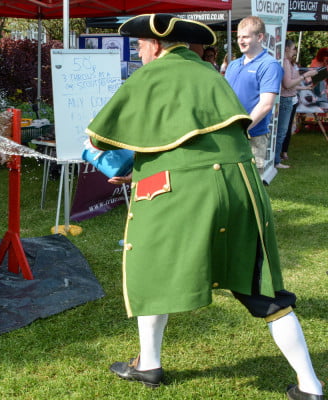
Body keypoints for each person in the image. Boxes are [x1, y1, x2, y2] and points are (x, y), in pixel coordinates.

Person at [85, 14, 323, 399]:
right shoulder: (212, 73)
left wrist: (119, 163)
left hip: (181, 191)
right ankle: (310, 385)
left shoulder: (151, 75)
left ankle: (149, 363)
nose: (140, 52)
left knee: (148, 265)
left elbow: (98, 143)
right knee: (262, 287)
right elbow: (197, 139)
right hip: (243, 186)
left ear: (158, 45)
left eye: (142, 45)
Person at [225, 16, 283, 175]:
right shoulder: (233, 65)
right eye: (238, 37)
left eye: (245, 37)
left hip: (253, 135)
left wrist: (243, 129)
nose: (240, 41)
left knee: (252, 184)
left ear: (260, 37)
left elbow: (266, 104)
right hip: (230, 134)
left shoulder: (269, 65)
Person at [275, 40, 317, 169]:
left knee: (283, 131)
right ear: (286, 48)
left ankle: (277, 158)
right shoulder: (285, 62)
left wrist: (305, 88)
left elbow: (291, 84)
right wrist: (305, 76)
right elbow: (287, 85)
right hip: (285, 99)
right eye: (294, 49)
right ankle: (276, 160)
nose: (295, 52)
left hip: (288, 99)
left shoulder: (288, 63)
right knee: (281, 131)